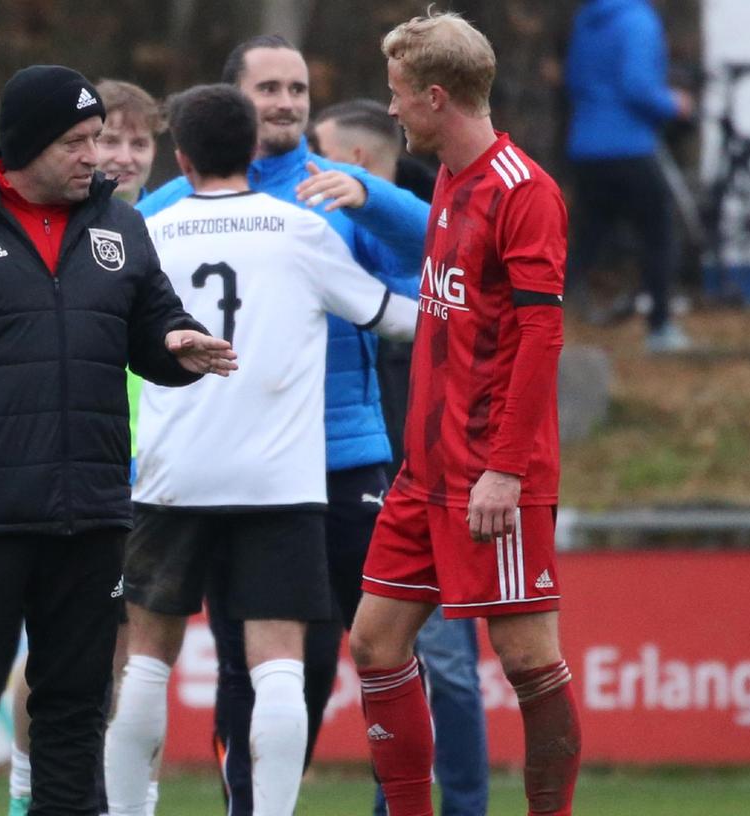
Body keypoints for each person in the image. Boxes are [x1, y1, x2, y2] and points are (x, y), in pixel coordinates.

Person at [0, 65, 234, 816]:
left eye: (97, 139)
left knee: (76, 707)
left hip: (89, 515)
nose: (96, 156)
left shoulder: (120, 226)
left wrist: (175, 347)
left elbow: (153, 324)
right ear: (24, 144)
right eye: (76, 142)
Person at [105, 82, 419, 816]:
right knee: (277, 662)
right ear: (253, 148)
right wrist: (464, 314)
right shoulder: (296, 227)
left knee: (145, 660)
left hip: (170, 475)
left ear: (178, 154)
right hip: (277, 480)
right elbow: (386, 316)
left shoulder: (147, 230)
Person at [353, 12, 580, 816]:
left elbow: (540, 334)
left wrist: (505, 469)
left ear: (436, 97)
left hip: (491, 477)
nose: (391, 111)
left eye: (398, 96)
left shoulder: (524, 193)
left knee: (526, 660)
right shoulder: (448, 178)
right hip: (425, 473)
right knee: (374, 644)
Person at [313, 99, 490, 816]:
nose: (306, 170)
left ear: (351, 166)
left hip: (434, 489)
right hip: (357, 483)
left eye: (317, 156)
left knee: (445, 666)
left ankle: (464, 810)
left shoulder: (436, 234)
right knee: (377, 657)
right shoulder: (328, 237)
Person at [4, 76, 169, 816]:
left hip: (157, 469)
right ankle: (25, 788)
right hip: (75, 464)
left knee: (140, 651)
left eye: (140, 142)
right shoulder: (50, 225)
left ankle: (127, 799)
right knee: (61, 649)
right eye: (110, 139)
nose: (124, 156)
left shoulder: (166, 224)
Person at [565, 0, 695, 352]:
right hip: (629, 147)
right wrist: (675, 104)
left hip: (586, 147)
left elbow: (574, 79)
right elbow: (638, 86)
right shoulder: (639, 21)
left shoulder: (588, 19)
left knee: (586, 242)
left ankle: (530, 320)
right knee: (658, 235)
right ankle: (661, 328)